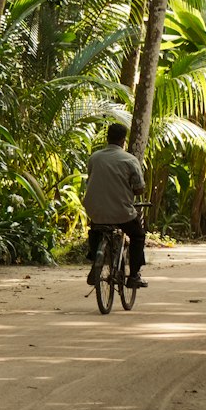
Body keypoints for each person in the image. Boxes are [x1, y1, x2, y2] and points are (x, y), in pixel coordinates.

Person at [83, 122, 147, 288]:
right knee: (138, 235)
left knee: (96, 228)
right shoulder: (130, 160)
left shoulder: (94, 158)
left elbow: (91, 180)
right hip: (121, 213)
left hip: (96, 210)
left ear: (107, 138)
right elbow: (139, 188)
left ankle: (94, 264)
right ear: (123, 140)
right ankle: (134, 275)